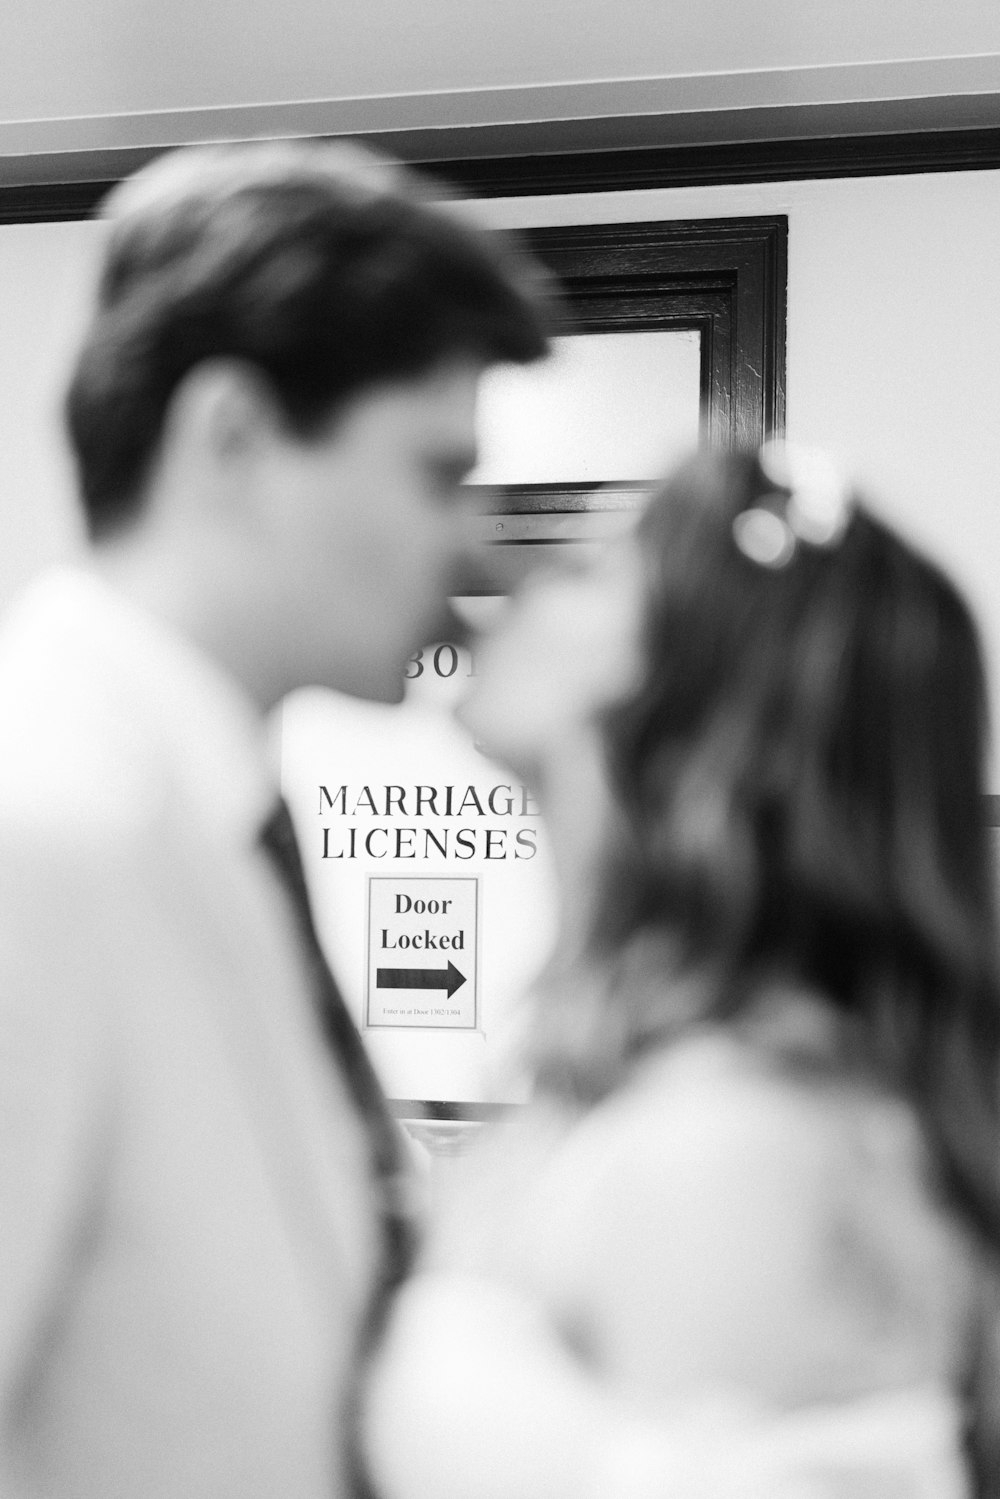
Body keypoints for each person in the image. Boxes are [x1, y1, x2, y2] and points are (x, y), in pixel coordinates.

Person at [0, 140, 547, 1499]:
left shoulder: (213, 819)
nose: (475, 548)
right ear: (231, 436)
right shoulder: (42, 829)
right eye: (436, 472)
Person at [363, 445, 1000, 1498]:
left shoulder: (734, 1147)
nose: (508, 577)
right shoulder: (627, 1075)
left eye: (583, 570)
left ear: (695, 690)